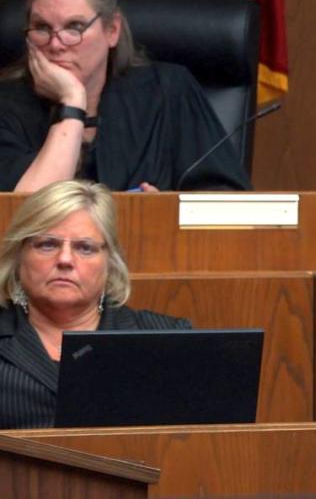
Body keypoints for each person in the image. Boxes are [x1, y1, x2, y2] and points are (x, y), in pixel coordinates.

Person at [0, 0, 251, 192]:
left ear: (112, 30)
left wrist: (165, 213)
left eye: (74, 27)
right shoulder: (7, 107)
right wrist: (73, 103)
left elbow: (228, 204)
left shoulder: (168, 92)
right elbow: (20, 216)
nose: (56, 45)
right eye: (42, 28)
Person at [0, 180, 190, 428]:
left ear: (109, 262)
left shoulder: (170, 340)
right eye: (48, 244)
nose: (65, 259)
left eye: (85, 248)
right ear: (19, 256)